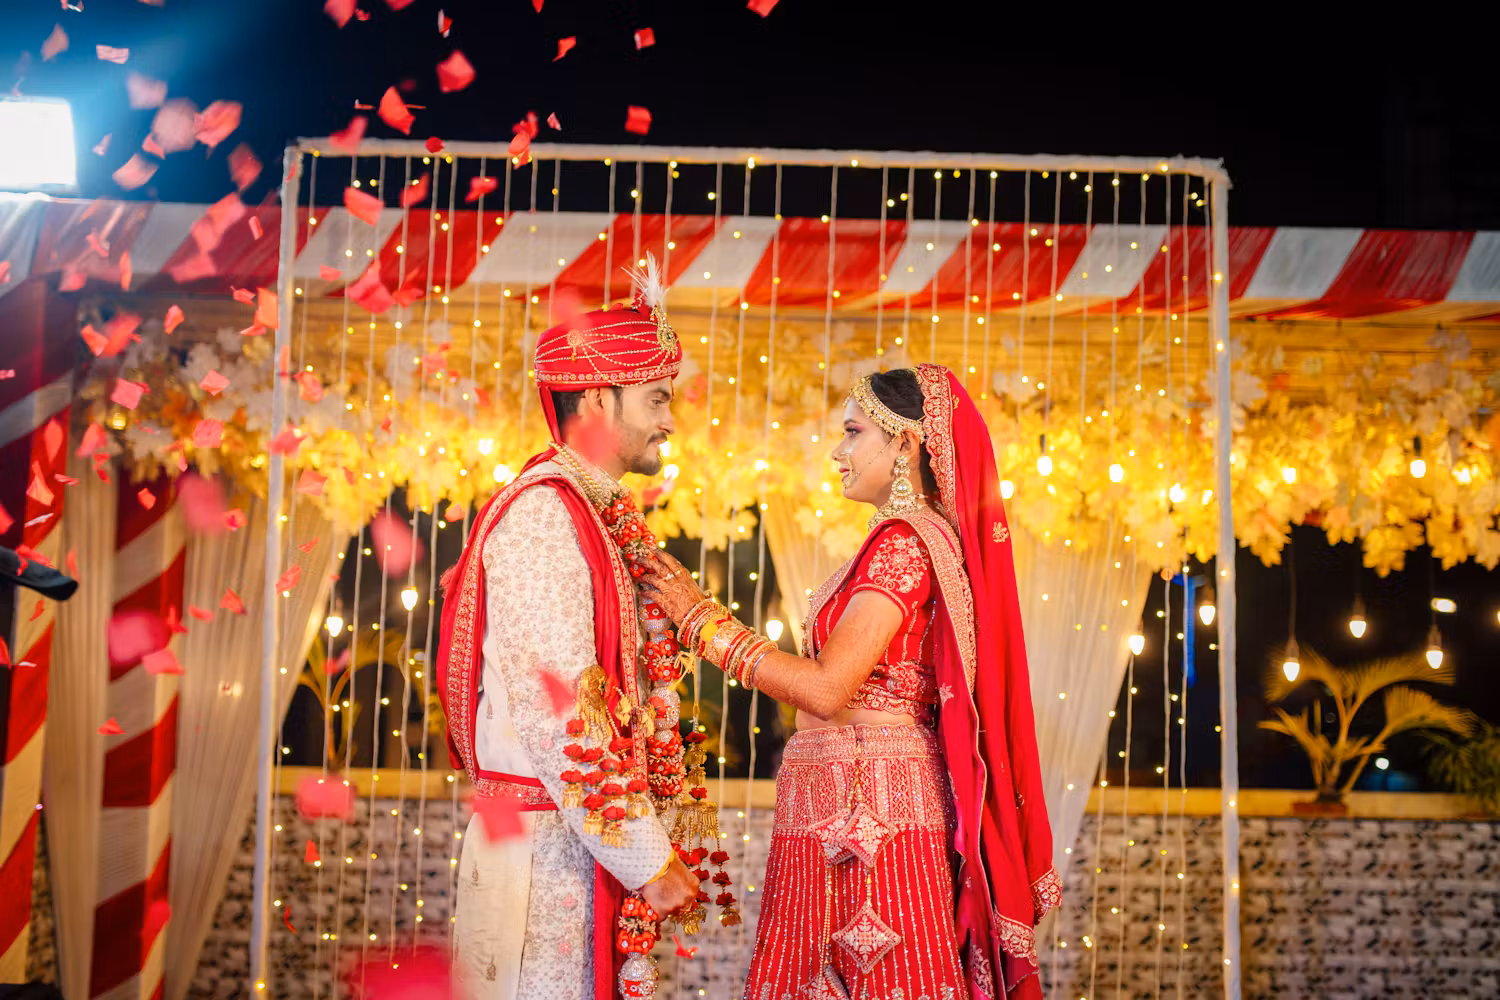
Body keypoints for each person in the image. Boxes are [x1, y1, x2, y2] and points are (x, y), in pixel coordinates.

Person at [640, 364, 1059, 1000]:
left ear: (905, 443)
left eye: (854, 432)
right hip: (846, 799)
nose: (838, 451)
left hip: (871, 812)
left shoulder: (904, 544)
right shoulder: (901, 542)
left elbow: (827, 689)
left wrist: (700, 621)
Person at [436, 256, 715, 1000]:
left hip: (573, 841)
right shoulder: (543, 516)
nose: (669, 420)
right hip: (540, 853)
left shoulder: (591, 513)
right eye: (656, 398)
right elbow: (560, 711)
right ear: (596, 399)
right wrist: (648, 860)